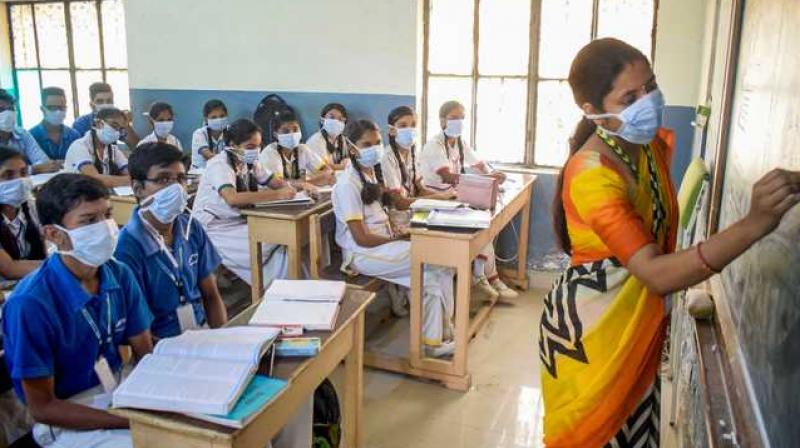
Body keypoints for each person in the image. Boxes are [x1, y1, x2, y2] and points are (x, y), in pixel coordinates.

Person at [540, 38, 800, 448]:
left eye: (651, 86)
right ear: (592, 110)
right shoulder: (593, 173)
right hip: (596, 337)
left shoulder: (646, 148)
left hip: (636, 326)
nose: (648, 101)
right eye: (630, 98)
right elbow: (656, 273)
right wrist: (755, 223)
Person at [2, 173, 154, 448]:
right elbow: (43, 408)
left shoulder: (118, 273)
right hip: (67, 416)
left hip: (120, 388)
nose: (106, 227)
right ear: (54, 234)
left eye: (108, 215)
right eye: (89, 220)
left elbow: (145, 353)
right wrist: (131, 420)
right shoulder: (31, 303)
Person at [332, 119, 457, 357]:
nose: (374, 148)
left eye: (377, 143)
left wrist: (400, 233)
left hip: (382, 246)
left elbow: (386, 212)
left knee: (438, 270)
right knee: (430, 262)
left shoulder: (372, 173)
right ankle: (434, 342)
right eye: (366, 144)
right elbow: (361, 238)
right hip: (362, 254)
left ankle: (441, 334)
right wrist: (398, 241)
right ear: (352, 148)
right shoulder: (348, 184)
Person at [115, 142, 226, 340]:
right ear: (138, 188)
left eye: (181, 179)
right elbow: (137, 330)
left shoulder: (190, 227)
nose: (177, 188)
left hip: (201, 332)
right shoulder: (127, 247)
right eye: (163, 179)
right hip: (163, 343)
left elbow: (211, 295)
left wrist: (221, 339)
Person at [419, 100, 518, 300]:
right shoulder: (434, 145)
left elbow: (478, 163)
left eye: (462, 118)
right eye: (454, 118)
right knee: (479, 226)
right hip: (435, 200)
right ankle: (485, 277)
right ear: (442, 121)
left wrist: (492, 173)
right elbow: (448, 176)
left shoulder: (460, 143)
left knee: (484, 226)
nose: (459, 122)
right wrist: (486, 180)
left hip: (452, 197)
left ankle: (484, 276)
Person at [192, 118, 296, 285]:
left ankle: (282, 285)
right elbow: (232, 198)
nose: (255, 151)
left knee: (282, 241)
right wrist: (279, 195)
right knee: (269, 239)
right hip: (214, 227)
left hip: (236, 221)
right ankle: (268, 285)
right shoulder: (219, 164)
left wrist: (297, 187)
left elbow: (274, 182)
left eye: (258, 146)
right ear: (232, 144)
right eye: (250, 147)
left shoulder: (250, 161)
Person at [258, 107, 334, 190]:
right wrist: (305, 183)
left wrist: (306, 183)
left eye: (295, 129)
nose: (292, 134)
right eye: (285, 131)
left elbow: (327, 170)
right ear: (275, 134)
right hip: (273, 195)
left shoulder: (303, 149)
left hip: (296, 193)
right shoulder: (270, 153)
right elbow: (278, 184)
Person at [0, 147, 46, 280]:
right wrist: (65, 266)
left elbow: (43, 247)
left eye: (23, 173)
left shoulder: (30, 206)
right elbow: (9, 269)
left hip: (30, 279)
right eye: (8, 175)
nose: (20, 180)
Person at [64, 107, 131, 188]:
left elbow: (131, 173)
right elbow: (94, 180)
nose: (117, 132)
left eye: (120, 129)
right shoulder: (79, 146)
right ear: (98, 123)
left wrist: (130, 178)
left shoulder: (113, 149)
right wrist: (129, 180)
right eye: (114, 126)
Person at [0, 89, 60, 174]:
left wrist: (38, 167)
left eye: (11, 109)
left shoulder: (22, 134)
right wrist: (32, 169)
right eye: (1, 110)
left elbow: (44, 162)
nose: (7, 114)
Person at [72, 82, 139, 147]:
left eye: (109, 101)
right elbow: (79, 148)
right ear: (91, 105)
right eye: (100, 101)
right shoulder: (81, 124)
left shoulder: (116, 121)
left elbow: (136, 146)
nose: (105, 105)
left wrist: (126, 124)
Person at [28, 87, 80, 161]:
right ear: (42, 109)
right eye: (52, 108)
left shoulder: (74, 136)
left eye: (61, 108)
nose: (58, 112)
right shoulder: (31, 137)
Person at [305, 103, 349, 170]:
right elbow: (323, 169)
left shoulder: (342, 139)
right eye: (332, 117)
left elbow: (347, 160)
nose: (336, 121)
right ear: (322, 120)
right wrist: (343, 166)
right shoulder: (316, 141)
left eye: (340, 119)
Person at [190, 99, 228, 169]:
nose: (219, 120)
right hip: (201, 172)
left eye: (222, 116)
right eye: (214, 117)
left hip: (223, 171)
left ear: (227, 116)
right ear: (206, 119)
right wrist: (226, 161)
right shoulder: (199, 134)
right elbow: (207, 155)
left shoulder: (231, 131)